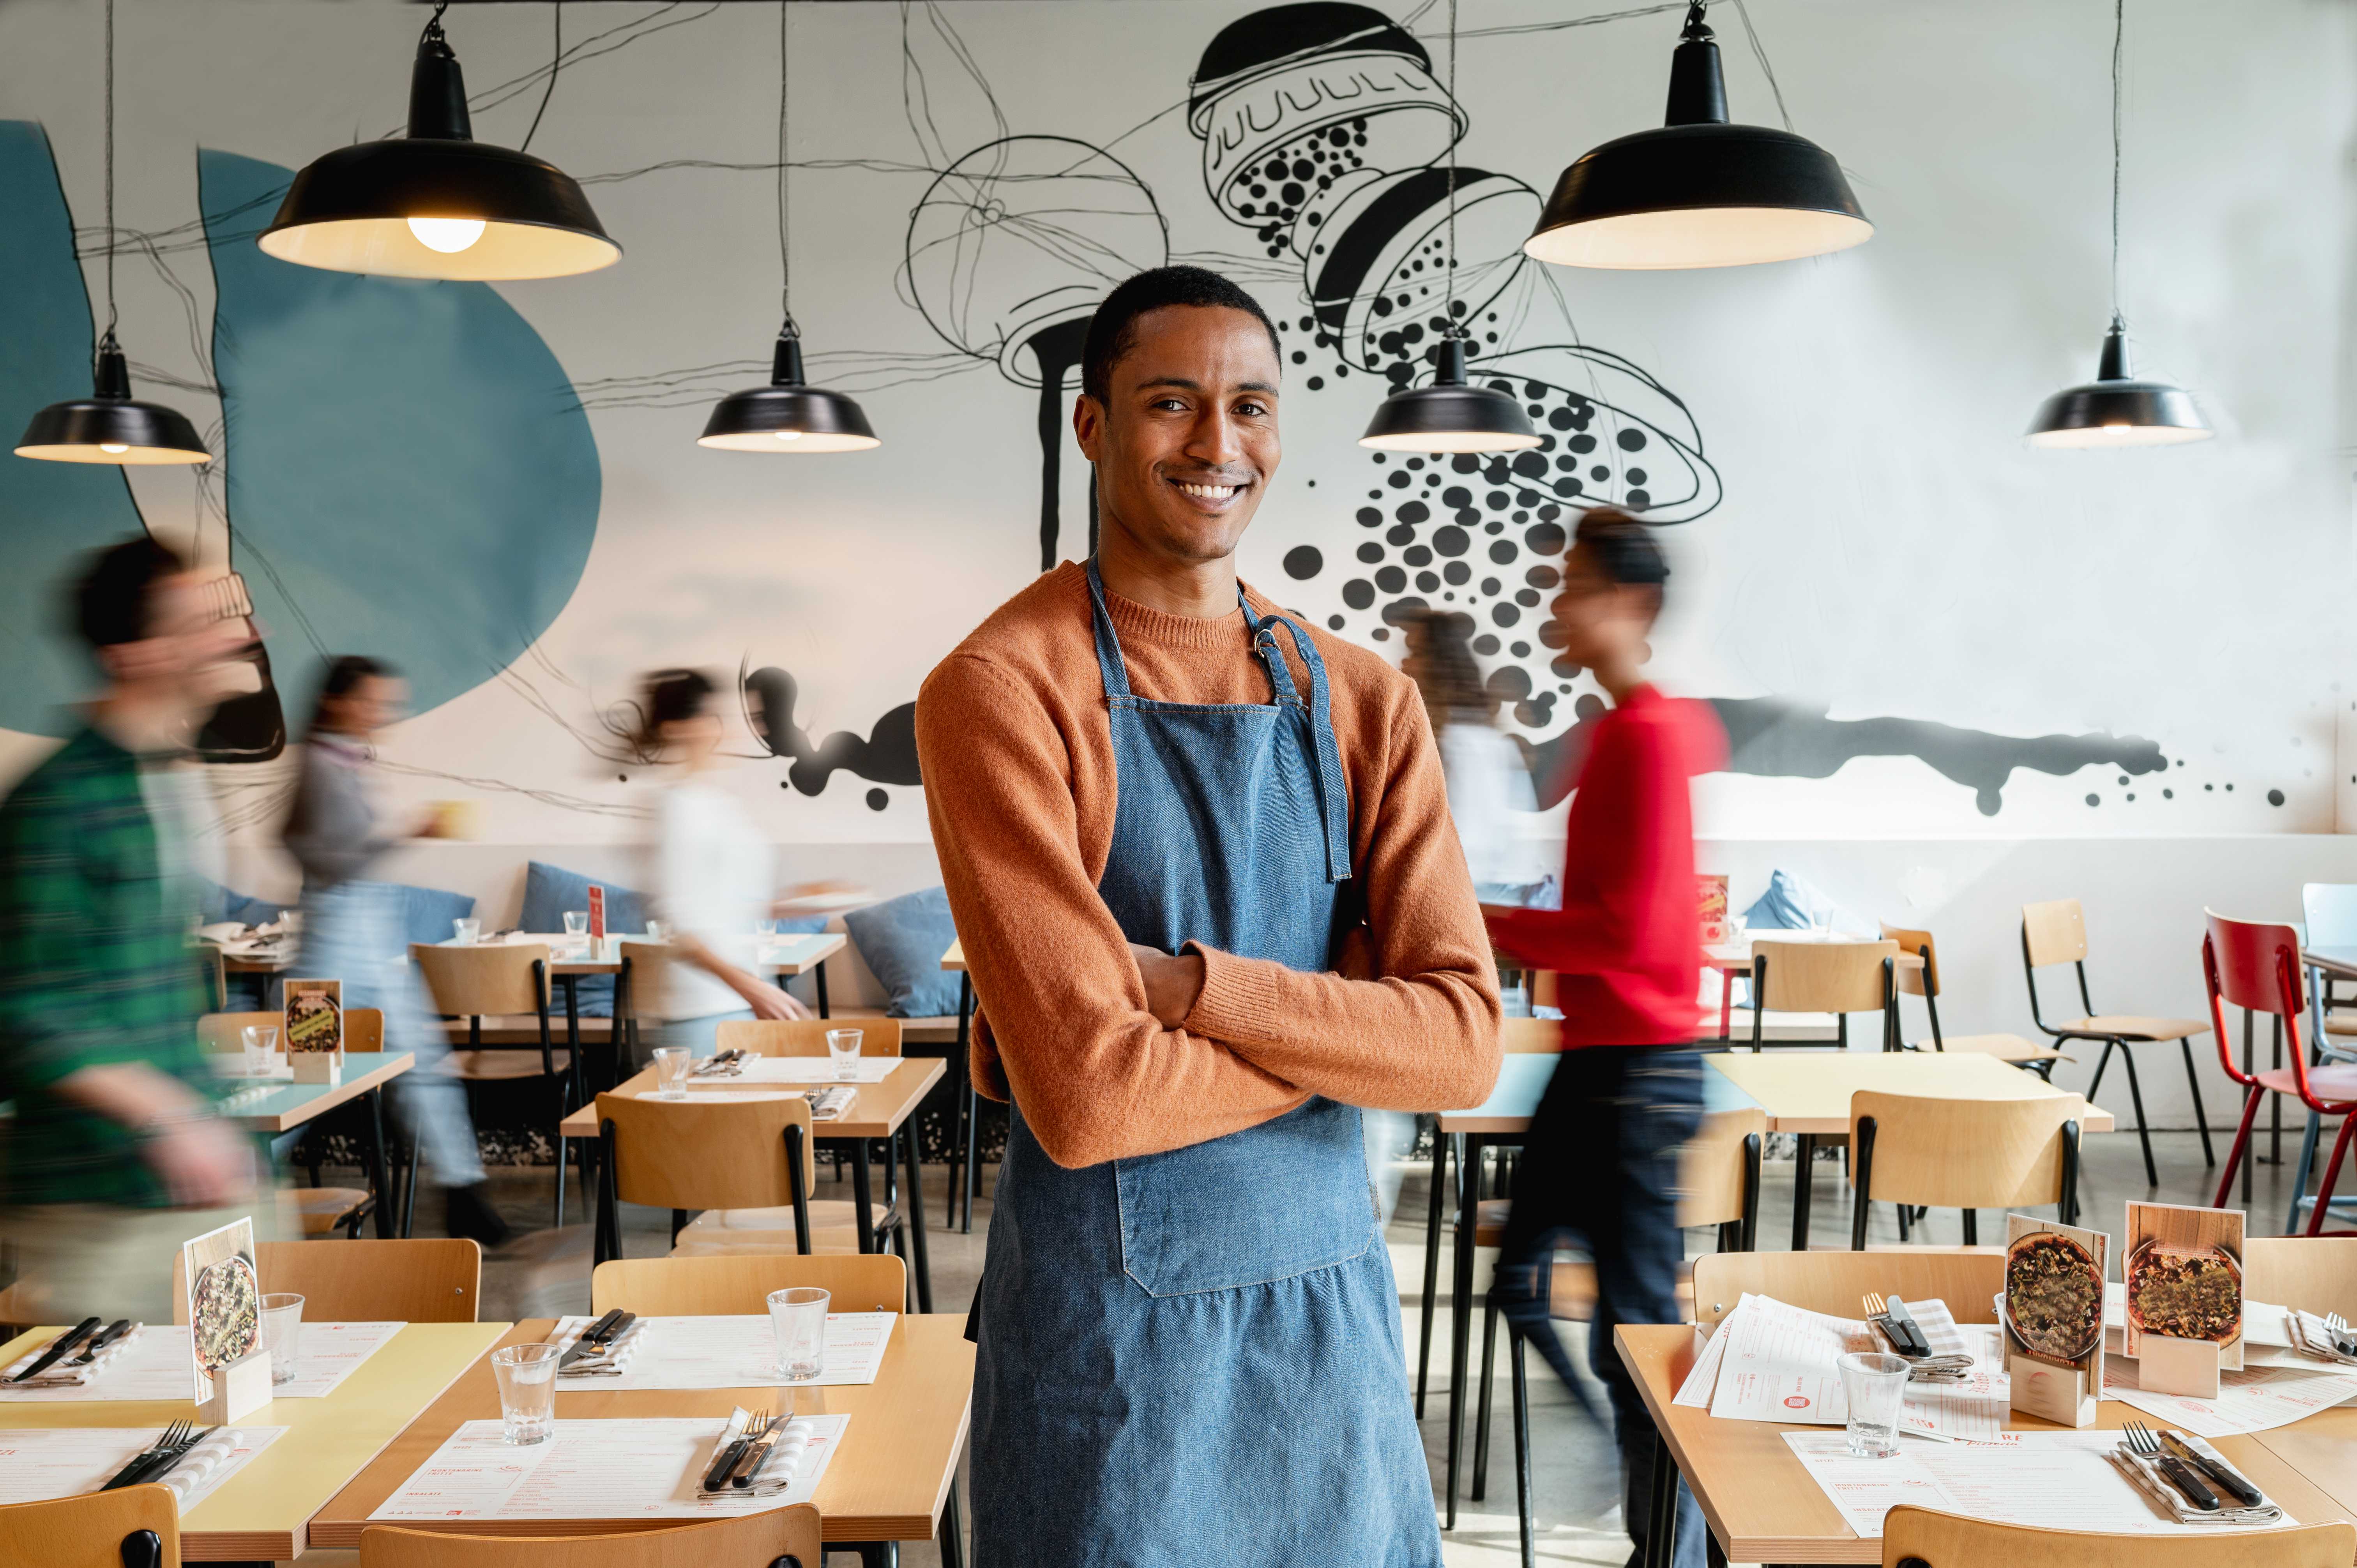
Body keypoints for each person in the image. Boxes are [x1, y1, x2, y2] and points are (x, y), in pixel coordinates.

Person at [917, 265, 1502, 1567]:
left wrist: (1180, 993)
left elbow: (1460, 1045)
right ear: (1091, 425)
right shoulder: (1001, 688)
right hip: (1108, 1351)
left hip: (1330, 1322)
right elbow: (1085, 1097)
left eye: (1248, 406)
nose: (1215, 444)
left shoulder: (1363, 700)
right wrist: (1347, 1038)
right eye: (1169, 404)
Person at [1483, 507, 1728, 1568]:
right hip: (1609, 1067)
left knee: (1627, 1327)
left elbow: (1624, 931)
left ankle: (1668, 1535)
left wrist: (1473, 918)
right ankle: (1652, 1506)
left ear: (1630, 606)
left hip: (1631, 1074)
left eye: (1574, 585)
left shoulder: (1639, 737)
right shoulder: (1645, 731)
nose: (1555, 604)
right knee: (1535, 1287)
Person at [0, 538, 265, 1323]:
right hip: (102, 1206)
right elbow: (25, 1007)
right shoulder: (60, 803)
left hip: (194, 1188)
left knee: (237, 1416)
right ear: (133, 652)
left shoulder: (161, 776)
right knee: (126, 1436)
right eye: (197, 625)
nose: (230, 638)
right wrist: (173, 1118)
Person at [283, 655, 508, 1246]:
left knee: (399, 1067)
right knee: (309, 1077)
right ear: (338, 701)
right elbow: (327, 856)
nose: (383, 714)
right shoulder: (320, 765)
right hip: (338, 931)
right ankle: (234, 1172)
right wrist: (411, 830)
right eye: (372, 702)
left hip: (354, 926)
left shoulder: (338, 763)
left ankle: (467, 1198)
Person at [636, 669, 808, 1056]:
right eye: (714, 716)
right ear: (677, 728)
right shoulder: (674, 808)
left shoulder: (713, 803)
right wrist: (750, 986)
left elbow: (722, 903)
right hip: (697, 1010)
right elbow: (678, 925)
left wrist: (794, 902)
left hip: (734, 1002)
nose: (727, 726)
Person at [1402, 608, 1552, 905]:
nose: (1405, 662)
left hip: (1493, 903)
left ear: (1438, 663)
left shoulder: (1463, 744)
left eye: (1415, 652)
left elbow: (1467, 849)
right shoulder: (1471, 736)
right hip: (1493, 897)